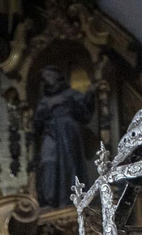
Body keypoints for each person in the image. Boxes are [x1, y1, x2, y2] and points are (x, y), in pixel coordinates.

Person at [31, 66, 95, 209]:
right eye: (45, 76)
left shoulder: (71, 94)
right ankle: (49, 200)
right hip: (50, 132)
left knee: (69, 163)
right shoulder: (44, 100)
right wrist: (47, 109)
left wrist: (90, 93)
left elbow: (84, 112)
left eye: (49, 75)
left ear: (57, 76)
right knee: (48, 162)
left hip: (68, 132)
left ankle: (70, 199)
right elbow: (36, 123)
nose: (47, 78)